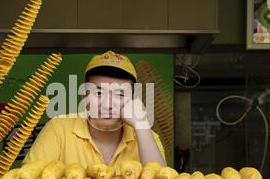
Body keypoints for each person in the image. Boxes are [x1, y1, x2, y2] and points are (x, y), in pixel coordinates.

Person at [23, 51, 166, 171]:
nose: (108, 105)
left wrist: (141, 125)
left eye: (120, 94)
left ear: (133, 100)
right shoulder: (58, 128)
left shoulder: (146, 135)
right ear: (84, 96)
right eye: (98, 93)